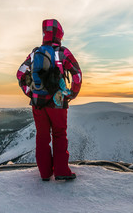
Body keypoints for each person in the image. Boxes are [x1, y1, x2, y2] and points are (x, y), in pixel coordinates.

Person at [16, 19, 82, 181]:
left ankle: (45, 173)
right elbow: (77, 75)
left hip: (37, 103)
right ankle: (61, 171)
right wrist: (71, 95)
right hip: (58, 102)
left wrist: (30, 92)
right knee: (59, 134)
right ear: (59, 34)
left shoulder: (34, 54)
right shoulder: (63, 52)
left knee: (42, 136)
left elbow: (20, 74)